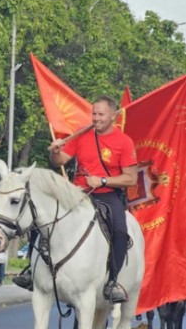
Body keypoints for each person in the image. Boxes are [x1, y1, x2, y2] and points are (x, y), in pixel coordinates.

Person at [14, 96, 136, 303]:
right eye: (94, 114)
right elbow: (59, 161)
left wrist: (103, 180)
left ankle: (113, 281)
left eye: (100, 114)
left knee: (120, 231)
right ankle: (30, 268)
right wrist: (55, 152)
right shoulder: (82, 135)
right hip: (77, 191)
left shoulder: (124, 142)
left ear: (113, 116)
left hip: (108, 194)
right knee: (41, 216)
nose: (95, 118)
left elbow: (131, 178)